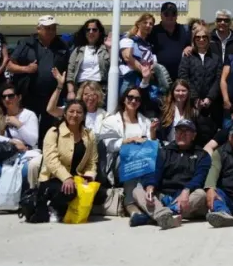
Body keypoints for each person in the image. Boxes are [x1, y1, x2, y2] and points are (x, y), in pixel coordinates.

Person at [131, 119, 211, 229]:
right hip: (164, 195)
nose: (181, 134)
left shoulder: (202, 155)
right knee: (138, 190)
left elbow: (200, 177)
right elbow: (153, 172)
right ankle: (165, 215)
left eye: (186, 131)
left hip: (186, 198)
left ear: (194, 135)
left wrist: (186, 190)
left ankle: (153, 216)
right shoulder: (164, 151)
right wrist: (150, 186)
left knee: (201, 194)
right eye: (178, 131)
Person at [96, 87, 159, 220]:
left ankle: (145, 206)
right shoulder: (111, 121)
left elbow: (151, 145)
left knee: (152, 159)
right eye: (130, 97)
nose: (133, 101)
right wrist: (129, 141)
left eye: (137, 99)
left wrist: (152, 132)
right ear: (124, 99)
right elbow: (109, 144)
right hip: (119, 162)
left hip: (143, 162)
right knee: (130, 158)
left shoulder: (145, 121)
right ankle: (129, 203)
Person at [7, 15, 70, 146]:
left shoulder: (62, 45)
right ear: (38, 29)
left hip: (52, 96)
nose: (51, 31)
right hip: (29, 94)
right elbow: (9, 65)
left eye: (53, 28)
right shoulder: (26, 43)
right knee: (28, 126)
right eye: (47, 28)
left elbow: (68, 69)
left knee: (49, 130)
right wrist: (26, 69)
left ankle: (45, 153)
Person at [0, 84, 40, 212]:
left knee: (26, 170)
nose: (7, 99)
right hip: (3, 154)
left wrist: (18, 125)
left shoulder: (29, 115)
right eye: (4, 97)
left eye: (10, 96)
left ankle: (22, 203)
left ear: (19, 97)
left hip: (24, 155)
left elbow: (33, 140)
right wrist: (11, 141)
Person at [38, 99, 98, 223]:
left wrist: (88, 178)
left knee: (97, 194)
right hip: (53, 179)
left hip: (77, 179)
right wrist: (66, 178)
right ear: (65, 114)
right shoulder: (54, 132)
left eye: (79, 112)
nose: (75, 115)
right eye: (71, 111)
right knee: (69, 192)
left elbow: (92, 161)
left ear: (84, 116)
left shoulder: (89, 135)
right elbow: (51, 161)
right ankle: (52, 207)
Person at [178, 26, 222, 131]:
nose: (201, 40)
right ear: (194, 39)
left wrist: (209, 98)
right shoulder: (188, 57)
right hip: (191, 104)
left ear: (208, 39)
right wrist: (195, 98)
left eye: (204, 37)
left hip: (211, 105)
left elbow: (218, 79)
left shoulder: (216, 58)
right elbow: (183, 76)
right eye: (198, 37)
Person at [66, 18, 110, 96]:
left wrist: (110, 48)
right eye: (88, 30)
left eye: (94, 30)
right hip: (80, 88)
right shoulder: (77, 50)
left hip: (100, 89)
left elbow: (114, 65)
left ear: (99, 32)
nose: (91, 32)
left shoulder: (105, 49)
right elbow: (70, 73)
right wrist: (71, 92)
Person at [148, 2, 191, 79]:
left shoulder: (185, 30)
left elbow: (198, 43)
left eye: (173, 14)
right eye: (167, 14)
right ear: (161, 15)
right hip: (159, 79)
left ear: (177, 16)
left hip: (181, 79)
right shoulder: (152, 31)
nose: (170, 16)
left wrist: (190, 47)